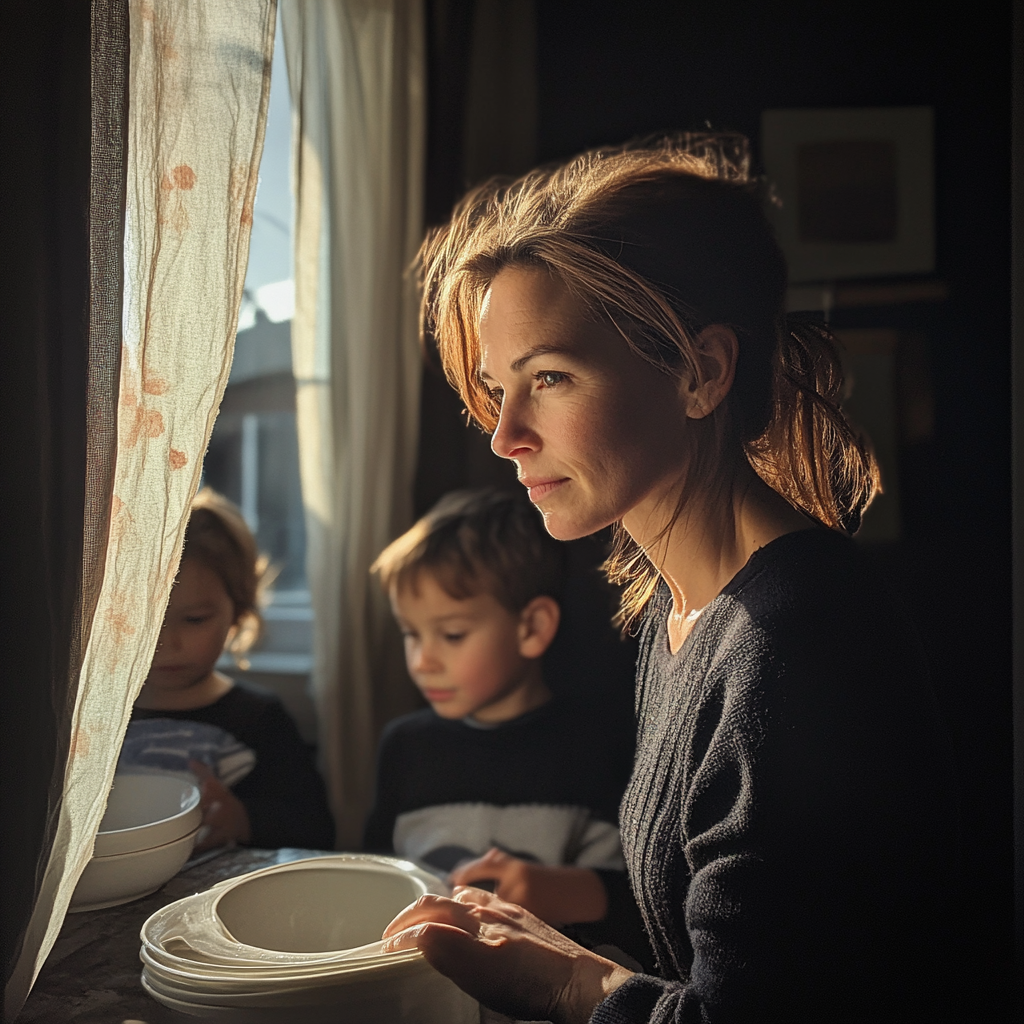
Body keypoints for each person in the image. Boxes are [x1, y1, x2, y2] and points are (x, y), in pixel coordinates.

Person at [379, 139, 959, 1023]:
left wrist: (565, 984)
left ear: (701, 372)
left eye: (551, 378)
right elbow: (722, 951)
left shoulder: (796, 641)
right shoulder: (679, 612)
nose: (506, 435)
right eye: (499, 389)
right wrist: (568, 943)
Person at [365, 488, 647, 964]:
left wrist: (565, 891)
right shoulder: (406, 747)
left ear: (532, 627)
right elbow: (372, 878)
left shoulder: (597, 747)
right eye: (411, 633)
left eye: (452, 634)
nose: (422, 661)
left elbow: (648, 914)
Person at [120, 488, 335, 852]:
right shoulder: (93, 720)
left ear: (237, 611)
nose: (166, 642)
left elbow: (315, 828)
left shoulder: (260, 718)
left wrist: (244, 819)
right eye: (146, 620)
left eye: (194, 619)